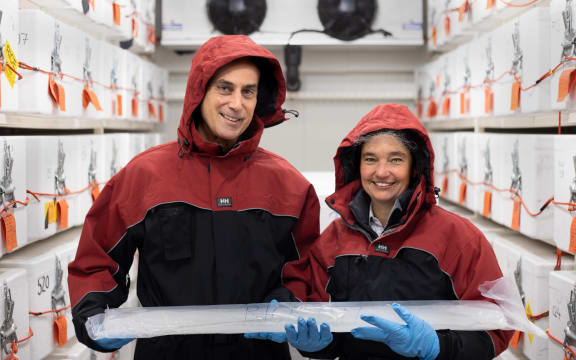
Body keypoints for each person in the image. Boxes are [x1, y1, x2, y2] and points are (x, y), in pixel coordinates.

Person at [67, 35, 320, 359]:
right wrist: (95, 319)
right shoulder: (146, 176)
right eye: (225, 88)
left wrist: (289, 303)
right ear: (199, 92)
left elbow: (310, 267)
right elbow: (97, 257)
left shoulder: (288, 185)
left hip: (257, 352)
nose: (237, 104)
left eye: (248, 92)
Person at [251, 104, 513, 359]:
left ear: (415, 167)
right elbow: (327, 328)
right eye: (370, 159)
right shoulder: (334, 239)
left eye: (396, 160)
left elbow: (497, 326)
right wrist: (316, 345)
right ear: (357, 166)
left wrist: (437, 347)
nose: (382, 172)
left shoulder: (458, 237)